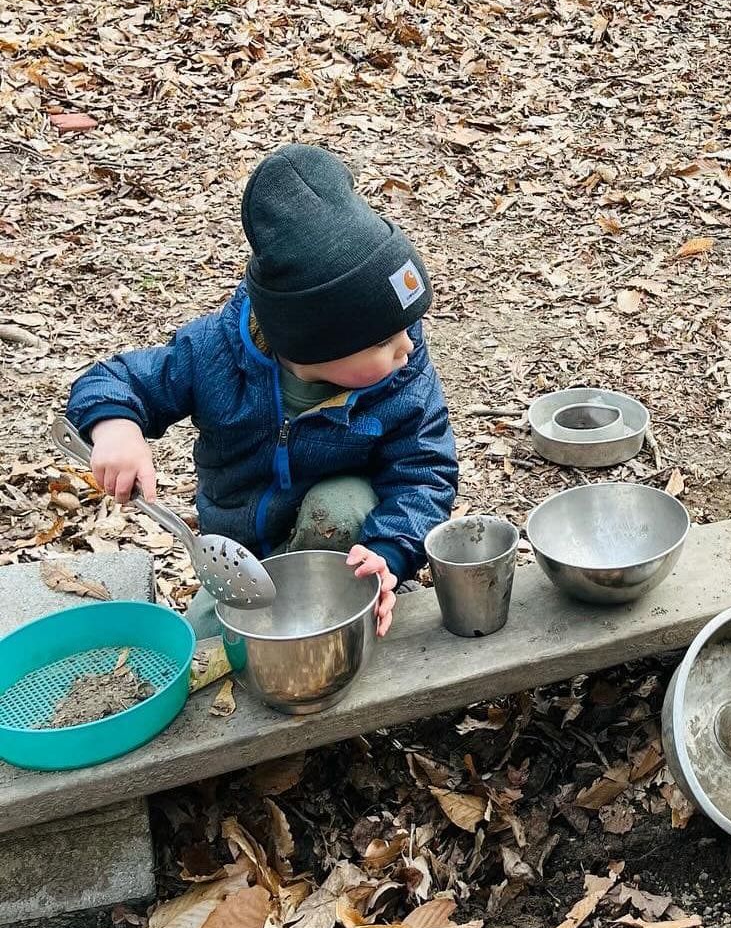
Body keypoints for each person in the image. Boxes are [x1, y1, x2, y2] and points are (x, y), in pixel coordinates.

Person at [67, 143, 458, 638]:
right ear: (313, 345)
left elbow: (426, 472)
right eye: (383, 339)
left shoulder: (401, 372)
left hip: (345, 540)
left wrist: (390, 552)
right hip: (238, 554)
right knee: (205, 650)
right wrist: (115, 426)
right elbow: (115, 379)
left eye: (408, 325)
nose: (407, 346)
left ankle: (346, 598)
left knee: (343, 504)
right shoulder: (218, 352)